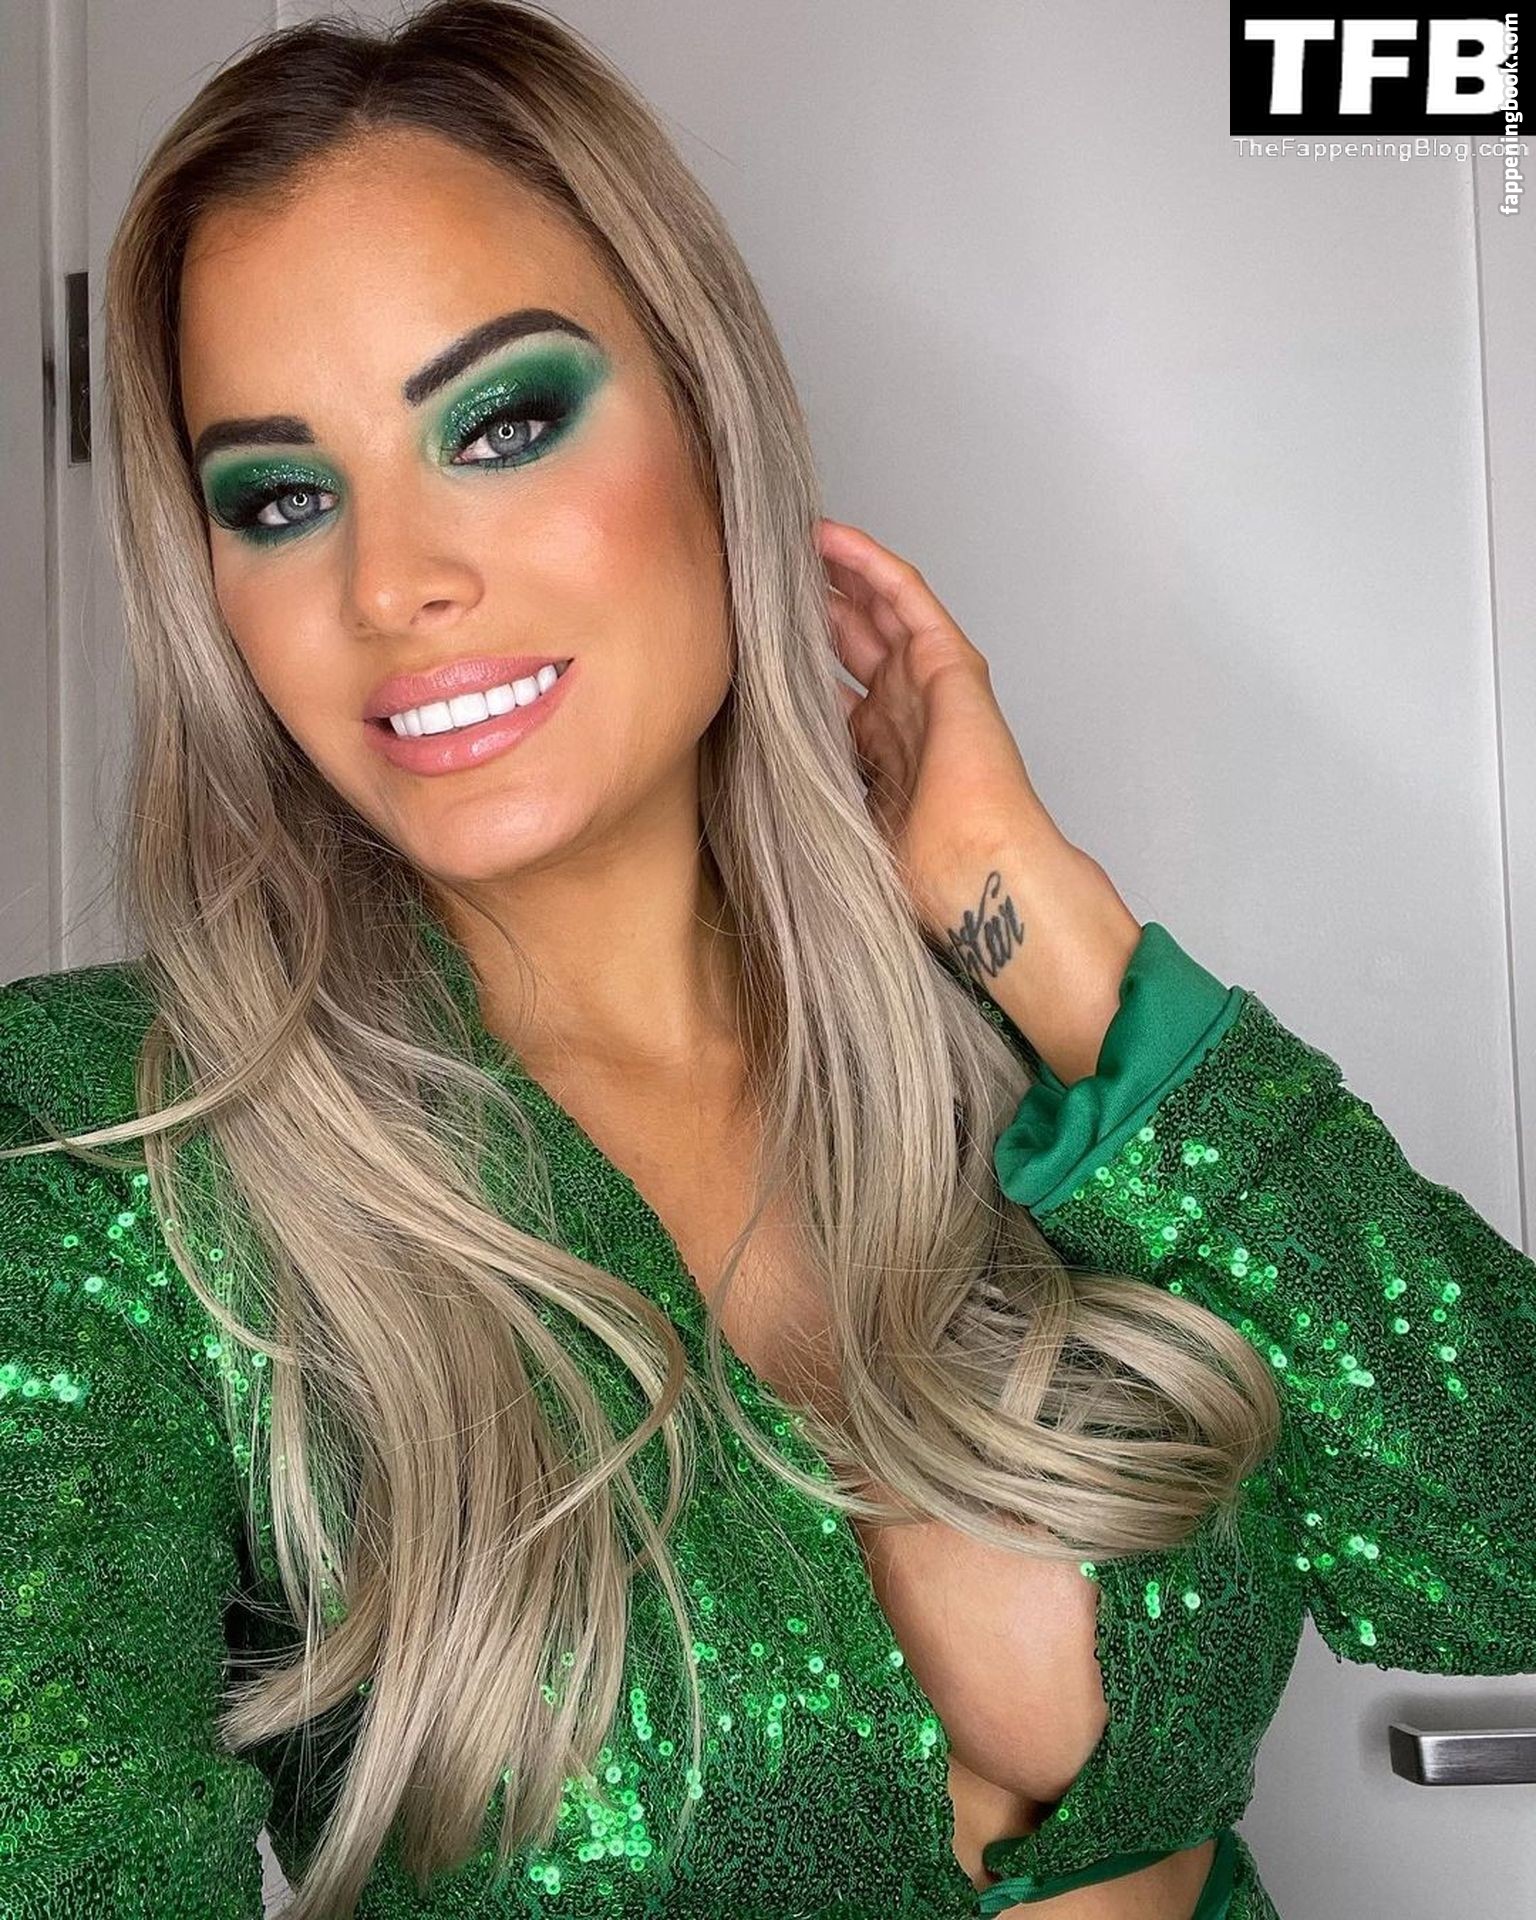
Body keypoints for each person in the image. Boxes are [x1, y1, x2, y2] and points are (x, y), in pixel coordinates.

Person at [2, 4, 1532, 1917]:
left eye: (499, 423)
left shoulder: (1033, 1068)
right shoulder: (113, 1154)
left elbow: (1502, 1551)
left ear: (713, 428)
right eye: (280, 499)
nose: (390, 584)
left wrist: (1037, 920)